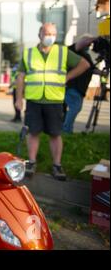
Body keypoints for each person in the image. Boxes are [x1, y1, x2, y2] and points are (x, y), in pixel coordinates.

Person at [15, 23, 90, 181]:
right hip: (34, 100)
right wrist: (18, 99)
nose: (50, 36)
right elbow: (20, 76)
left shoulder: (62, 51)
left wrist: (67, 77)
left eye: (53, 34)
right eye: (47, 33)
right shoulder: (29, 53)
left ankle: (57, 165)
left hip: (54, 100)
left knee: (55, 134)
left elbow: (85, 64)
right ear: (40, 34)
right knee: (33, 132)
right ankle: (32, 162)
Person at [62, 35, 102, 133]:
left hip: (79, 89)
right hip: (72, 86)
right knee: (75, 107)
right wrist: (95, 38)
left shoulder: (86, 56)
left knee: (73, 108)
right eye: (89, 44)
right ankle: (66, 130)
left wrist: (102, 73)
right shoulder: (73, 50)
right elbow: (81, 42)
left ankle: (66, 129)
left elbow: (92, 70)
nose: (89, 46)